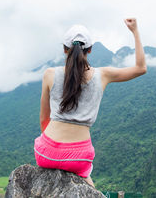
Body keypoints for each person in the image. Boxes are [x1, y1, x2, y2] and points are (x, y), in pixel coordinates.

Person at [34, 18, 147, 188]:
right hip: (79, 158)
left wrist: (54, 146)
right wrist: (135, 31)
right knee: (87, 179)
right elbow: (141, 68)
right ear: (90, 50)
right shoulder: (103, 75)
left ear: (65, 50)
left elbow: (44, 119)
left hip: (47, 154)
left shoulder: (50, 74)